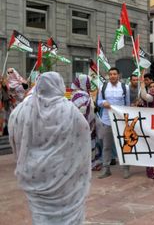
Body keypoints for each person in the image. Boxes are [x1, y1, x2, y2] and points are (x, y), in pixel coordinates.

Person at [8, 72, 91, 224]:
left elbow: (13, 132)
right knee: (68, 215)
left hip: (35, 174)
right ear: (59, 85)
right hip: (64, 174)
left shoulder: (23, 109)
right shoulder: (70, 110)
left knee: (40, 215)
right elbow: (84, 133)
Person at [96, 67, 131, 179]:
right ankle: (106, 169)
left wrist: (127, 120)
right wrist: (103, 103)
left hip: (121, 121)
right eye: (110, 74)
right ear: (108, 75)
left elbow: (128, 105)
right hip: (107, 120)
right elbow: (98, 101)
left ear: (118, 75)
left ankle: (126, 168)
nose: (112, 76)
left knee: (124, 145)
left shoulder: (125, 87)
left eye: (114, 74)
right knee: (106, 146)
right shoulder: (103, 87)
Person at [71, 74, 101, 171]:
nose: (89, 84)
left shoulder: (80, 94)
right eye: (88, 82)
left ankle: (87, 163)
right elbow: (83, 110)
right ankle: (87, 164)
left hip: (84, 123)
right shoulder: (79, 95)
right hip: (84, 124)